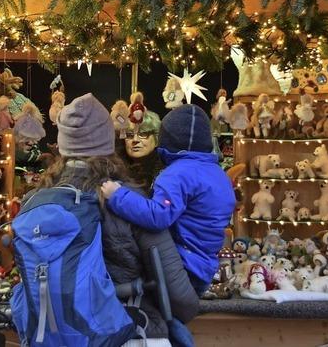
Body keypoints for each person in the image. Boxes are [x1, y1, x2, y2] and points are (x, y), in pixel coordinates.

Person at [40, 93, 198, 345]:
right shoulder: (127, 199)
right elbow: (172, 283)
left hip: (60, 330)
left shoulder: (42, 200)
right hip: (127, 326)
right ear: (107, 142)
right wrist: (188, 309)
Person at [102, 104, 237, 297]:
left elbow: (158, 215)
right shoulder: (217, 173)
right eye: (130, 136)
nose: (135, 141)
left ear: (164, 138)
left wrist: (117, 195)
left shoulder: (177, 174)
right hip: (204, 267)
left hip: (181, 266)